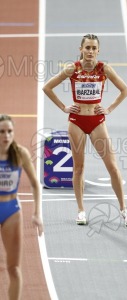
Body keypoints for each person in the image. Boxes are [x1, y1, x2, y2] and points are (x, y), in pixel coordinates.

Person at [43, 33, 127, 226]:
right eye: (87, 48)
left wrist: (109, 108)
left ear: (98, 50)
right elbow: (47, 87)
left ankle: (124, 209)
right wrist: (63, 107)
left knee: (113, 167)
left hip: (97, 121)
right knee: (79, 168)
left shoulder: (104, 69)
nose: (90, 51)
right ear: (81, 49)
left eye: (94, 48)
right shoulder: (72, 69)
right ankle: (81, 210)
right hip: (76, 121)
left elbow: (125, 90)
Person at [0, 114, 43, 300]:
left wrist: (37, 214)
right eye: (2, 131)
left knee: (14, 269)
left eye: (9, 131)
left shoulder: (20, 153)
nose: (6, 135)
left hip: (11, 212)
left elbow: (35, 184)